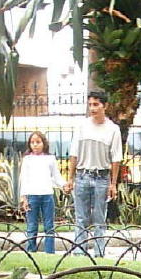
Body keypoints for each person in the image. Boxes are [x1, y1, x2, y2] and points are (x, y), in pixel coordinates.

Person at [65, 90, 122, 257]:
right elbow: (74, 154)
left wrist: (113, 184)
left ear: (105, 106)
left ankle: (99, 253)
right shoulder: (82, 126)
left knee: (99, 218)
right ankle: (79, 253)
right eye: (90, 104)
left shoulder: (113, 129)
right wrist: (70, 179)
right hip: (82, 175)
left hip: (101, 177)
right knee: (81, 218)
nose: (93, 108)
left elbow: (116, 158)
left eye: (96, 104)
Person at [20, 131, 65, 254]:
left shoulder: (50, 159)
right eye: (32, 142)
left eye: (38, 142)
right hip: (32, 195)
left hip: (47, 195)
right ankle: (31, 250)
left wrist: (64, 185)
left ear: (44, 143)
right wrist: (24, 198)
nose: (35, 145)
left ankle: (50, 252)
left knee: (49, 225)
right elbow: (24, 179)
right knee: (32, 225)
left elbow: (56, 177)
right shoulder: (27, 159)